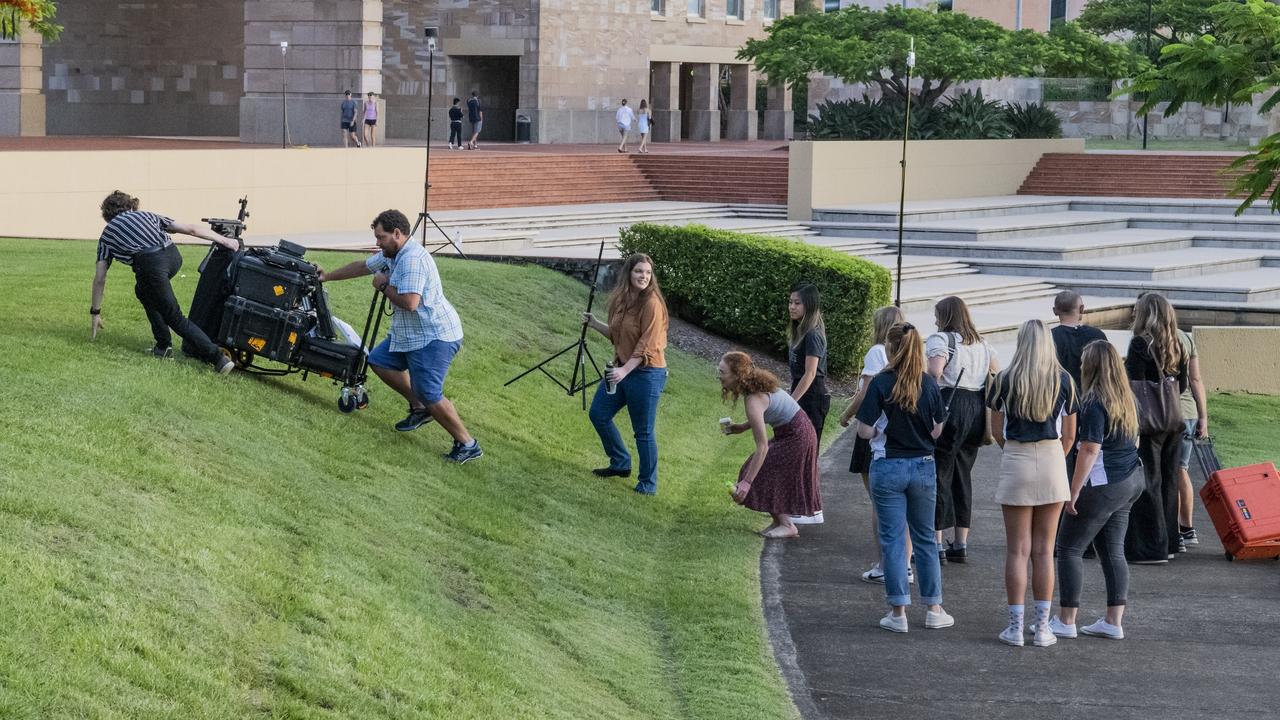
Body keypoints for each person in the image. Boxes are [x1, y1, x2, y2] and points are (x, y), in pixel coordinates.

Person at [318, 210, 482, 463]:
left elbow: (411, 302)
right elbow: (362, 266)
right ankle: (419, 408)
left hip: (434, 336)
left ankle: (467, 444)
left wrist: (383, 285)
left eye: (381, 237)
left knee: (429, 391)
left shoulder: (412, 260)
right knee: (380, 361)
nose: (377, 243)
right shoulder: (392, 254)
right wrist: (327, 276)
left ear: (397, 233)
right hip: (410, 335)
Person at [855, 322, 954, 634]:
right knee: (925, 538)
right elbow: (937, 431)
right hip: (923, 466)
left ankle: (898, 612)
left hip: (888, 466)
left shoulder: (882, 384)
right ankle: (934, 608)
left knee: (894, 539)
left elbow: (864, 430)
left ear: (890, 348)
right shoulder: (928, 384)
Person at [988, 319, 1077, 648]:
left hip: (1016, 458)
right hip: (1052, 459)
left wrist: (1014, 452)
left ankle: (1015, 626)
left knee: (1017, 549)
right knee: (1044, 551)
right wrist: (1053, 455)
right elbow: (1070, 435)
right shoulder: (1064, 379)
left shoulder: (1004, 379)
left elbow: (996, 431)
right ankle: (1041, 628)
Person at [1051, 340, 1144, 641]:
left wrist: (1073, 490)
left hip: (1104, 485)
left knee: (1068, 548)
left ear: (1090, 367)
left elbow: (1090, 449)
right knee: (1113, 550)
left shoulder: (1093, 402)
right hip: (1131, 480)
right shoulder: (1127, 398)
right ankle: (1112, 621)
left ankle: (1066, 620)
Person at [89, 190, 237, 375]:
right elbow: (191, 229)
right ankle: (163, 346)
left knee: (174, 316)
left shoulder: (107, 235)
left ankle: (217, 357)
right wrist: (225, 240)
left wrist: (95, 312)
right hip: (173, 256)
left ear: (107, 214)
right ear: (129, 205)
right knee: (143, 290)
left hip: (151, 264)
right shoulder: (147, 215)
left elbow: (100, 278)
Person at [582, 254, 670, 495]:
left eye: (648, 273)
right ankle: (620, 462)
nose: (643, 276)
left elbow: (647, 345)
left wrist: (624, 370)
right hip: (621, 368)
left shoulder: (652, 303)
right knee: (599, 413)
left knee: (643, 430)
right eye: (639, 271)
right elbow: (619, 334)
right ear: (629, 273)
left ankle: (647, 485)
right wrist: (595, 323)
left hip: (647, 373)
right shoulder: (622, 299)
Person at [839, 306, 913, 584]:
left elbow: (866, 391)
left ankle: (884, 562)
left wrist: (846, 414)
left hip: (876, 431)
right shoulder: (909, 358)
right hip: (902, 433)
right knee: (902, 505)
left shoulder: (876, 352)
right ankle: (904, 563)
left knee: (879, 502)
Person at [925, 296, 998, 565]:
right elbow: (995, 372)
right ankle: (960, 543)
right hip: (977, 409)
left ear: (945, 316)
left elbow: (935, 371)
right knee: (963, 473)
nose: (935, 320)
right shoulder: (982, 342)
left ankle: (936, 542)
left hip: (950, 405)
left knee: (939, 473)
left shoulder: (941, 339)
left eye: (937, 315)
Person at [721, 352, 821, 539]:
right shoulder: (755, 388)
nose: (718, 375)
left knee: (756, 471)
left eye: (722, 371)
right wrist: (742, 427)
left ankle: (787, 525)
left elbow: (763, 447)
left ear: (737, 375)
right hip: (796, 432)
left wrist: (746, 483)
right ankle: (779, 521)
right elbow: (764, 412)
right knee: (756, 470)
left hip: (798, 437)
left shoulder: (752, 398)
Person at [1124, 293, 1190, 564]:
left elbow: (1133, 385)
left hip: (1149, 423)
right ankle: (1170, 542)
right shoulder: (1177, 342)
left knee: (1148, 481)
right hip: (1174, 420)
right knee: (1168, 480)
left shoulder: (1140, 343)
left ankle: (1150, 547)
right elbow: (1183, 384)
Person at [786, 283, 829, 525]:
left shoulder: (813, 334)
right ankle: (802, 505)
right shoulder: (800, 332)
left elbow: (810, 373)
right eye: (790, 302)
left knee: (806, 454)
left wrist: (790, 403)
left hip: (812, 399)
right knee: (799, 452)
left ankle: (809, 509)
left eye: (797, 303)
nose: (791, 307)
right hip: (802, 395)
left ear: (809, 306)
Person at [1174, 326, 1208, 551]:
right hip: (1189, 413)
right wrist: (1203, 416)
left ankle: (1175, 530)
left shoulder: (1146, 338)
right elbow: (1195, 380)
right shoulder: (1184, 337)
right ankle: (1186, 527)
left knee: (1171, 472)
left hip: (1164, 415)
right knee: (1181, 469)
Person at [1050, 290, 1106, 391]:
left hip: (1060, 396)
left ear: (1055, 311)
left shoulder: (1048, 337)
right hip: (1091, 396)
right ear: (1082, 309)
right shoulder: (1097, 335)